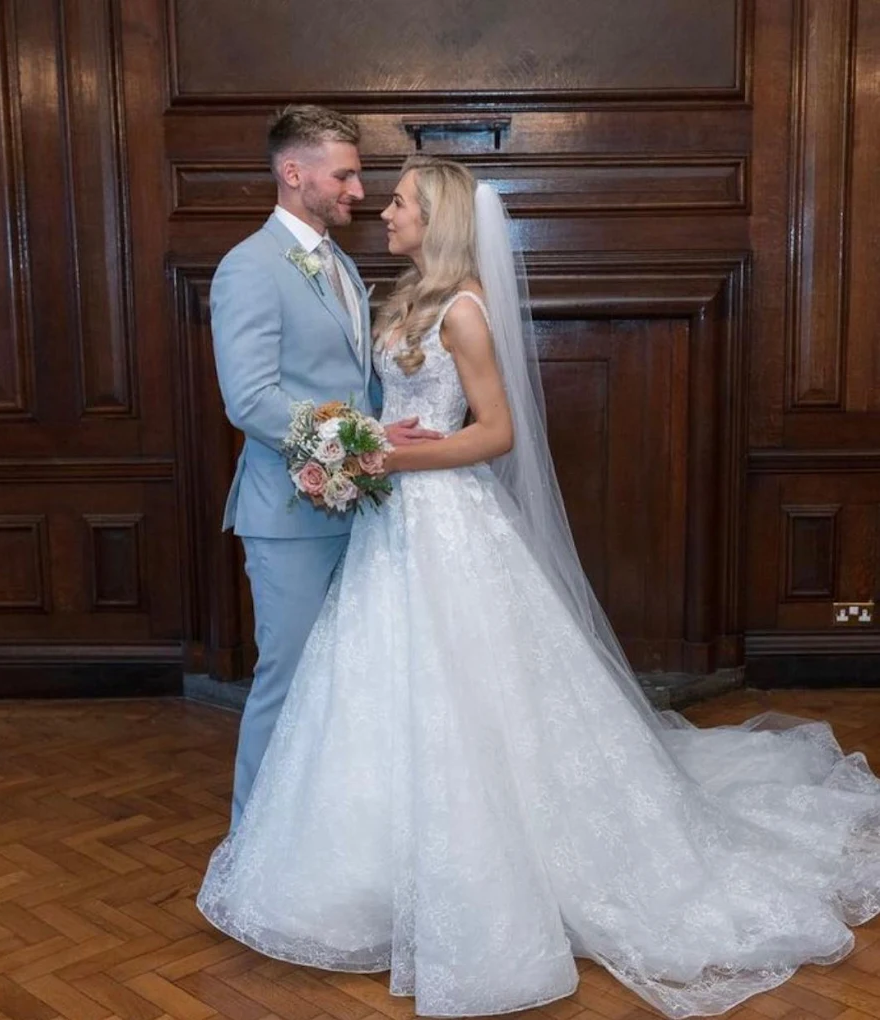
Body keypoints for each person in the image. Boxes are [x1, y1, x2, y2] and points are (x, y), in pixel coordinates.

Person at [199, 156, 880, 1018]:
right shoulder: (400, 296)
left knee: (472, 699)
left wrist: (393, 454)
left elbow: (495, 434)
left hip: (445, 522)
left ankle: (494, 867)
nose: (384, 210)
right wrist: (369, 445)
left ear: (436, 217)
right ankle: (370, 867)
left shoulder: (467, 311)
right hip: (391, 528)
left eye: (401, 201)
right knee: (377, 692)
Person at [210, 107, 438, 828]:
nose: (359, 189)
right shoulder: (248, 267)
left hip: (357, 510)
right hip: (290, 514)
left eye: (358, 173)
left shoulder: (337, 260)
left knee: (345, 684)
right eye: (344, 173)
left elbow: (349, 383)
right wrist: (362, 442)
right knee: (289, 681)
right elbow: (251, 401)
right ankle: (254, 844)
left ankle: (324, 837)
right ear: (293, 173)